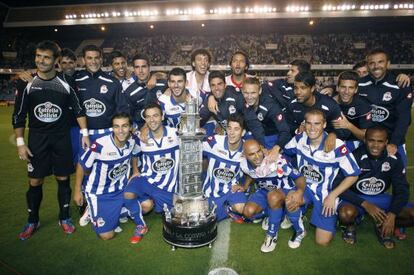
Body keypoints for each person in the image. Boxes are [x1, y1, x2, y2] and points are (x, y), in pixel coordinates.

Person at [12, 40, 89, 240]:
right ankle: (32, 220)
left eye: (46, 57)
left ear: (56, 60)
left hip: (61, 138)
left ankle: (64, 217)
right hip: (37, 139)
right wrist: (20, 143)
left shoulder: (66, 82)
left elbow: (79, 109)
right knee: (35, 180)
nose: (41, 60)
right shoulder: (26, 81)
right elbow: (19, 115)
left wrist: (85, 134)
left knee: (63, 178)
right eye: (38, 56)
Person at [284, 109, 360, 246]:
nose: (312, 128)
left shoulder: (336, 146)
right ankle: (299, 229)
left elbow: (353, 175)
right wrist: (293, 173)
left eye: (317, 123)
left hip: (325, 193)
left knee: (322, 241)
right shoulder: (299, 139)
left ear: (324, 124)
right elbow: (285, 153)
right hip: (304, 188)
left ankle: (333, 214)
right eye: (309, 123)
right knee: (290, 199)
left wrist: (332, 196)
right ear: (304, 124)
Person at [74, 44, 128, 226]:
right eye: (89, 58)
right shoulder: (76, 80)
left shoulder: (112, 82)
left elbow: (121, 109)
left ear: (101, 59)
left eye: (96, 57)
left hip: (107, 134)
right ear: (83, 60)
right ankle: (87, 206)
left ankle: (107, 206)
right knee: (85, 169)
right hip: (85, 135)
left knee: (109, 173)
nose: (93, 61)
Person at [337, 127, 414, 248]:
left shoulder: (394, 158)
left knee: (412, 213)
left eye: (380, 141)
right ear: (365, 140)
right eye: (371, 140)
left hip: (381, 197)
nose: (375, 145)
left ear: (386, 142)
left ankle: (382, 225)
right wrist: (365, 204)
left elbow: (402, 190)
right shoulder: (355, 156)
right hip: (357, 198)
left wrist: (392, 214)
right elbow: (337, 185)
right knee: (345, 214)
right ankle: (351, 225)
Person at [74, 113, 139, 240]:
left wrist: (135, 170)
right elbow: (82, 165)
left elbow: (136, 152)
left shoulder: (132, 141)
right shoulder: (100, 145)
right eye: (116, 126)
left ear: (131, 127)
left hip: (121, 190)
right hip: (99, 194)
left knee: (146, 205)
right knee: (107, 235)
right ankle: (91, 210)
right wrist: (77, 191)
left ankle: (115, 213)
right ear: (112, 128)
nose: (120, 131)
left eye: (124, 126)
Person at [124, 103, 180, 244]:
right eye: (148, 117)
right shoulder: (141, 138)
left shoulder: (176, 133)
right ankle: (140, 225)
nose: (152, 120)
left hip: (167, 187)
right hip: (146, 180)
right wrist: (136, 170)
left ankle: (126, 210)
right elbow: (135, 153)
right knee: (128, 192)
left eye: (155, 115)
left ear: (162, 117)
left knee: (178, 211)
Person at [241, 139, 306, 252]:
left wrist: (299, 192)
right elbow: (251, 174)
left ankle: (273, 234)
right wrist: (245, 186)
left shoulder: (277, 161)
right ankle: (277, 214)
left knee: (273, 197)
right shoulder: (243, 164)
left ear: (262, 149)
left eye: (258, 151)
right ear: (244, 155)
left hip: (284, 190)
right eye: (251, 154)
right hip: (264, 191)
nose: (257, 156)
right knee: (248, 212)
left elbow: (299, 177)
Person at [358, 48, 413, 166]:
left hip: (392, 143)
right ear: (367, 66)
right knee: (364, 181)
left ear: (388, 64)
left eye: (380, 62)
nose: (376, 66)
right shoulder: (359, 84)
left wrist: (394, 142)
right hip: (365, 143)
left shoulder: (400, 85)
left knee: (398, 181)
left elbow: (404, 119)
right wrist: (331, 88)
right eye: (372, 63)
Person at [286, 71, 351, 151]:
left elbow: (344, 131)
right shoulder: (292, 104)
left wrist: (333, 134)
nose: (298, 92)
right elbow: (288, 128)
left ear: (312, 88)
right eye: (296, 88)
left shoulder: (329, 105)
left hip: (327, 145)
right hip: (303, 145)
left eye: (303, 88)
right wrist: (298, 130)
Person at [202, 114, 247, 222]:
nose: (231, 133)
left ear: (243, 132)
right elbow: (194, 149)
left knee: (242, 208)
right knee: (206, 218)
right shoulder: (215, 142)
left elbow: (256, 171)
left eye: (236, 129)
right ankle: (223, 209)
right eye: (229, 128)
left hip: (231, 190)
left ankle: (229, 208)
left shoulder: (246, 149)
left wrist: (244, 186)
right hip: (211, 192)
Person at [241, 77, 291, 156]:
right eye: (246, 93)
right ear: (242, 91)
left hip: (272, 138)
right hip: (253, 135)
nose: (249, 97)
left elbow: (285, 131)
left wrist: (276, 148)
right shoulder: (240, 100)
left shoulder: (271, 106)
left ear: (260, 91)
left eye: (253, 93)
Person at [332, 71, 373, 150]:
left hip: (355, 142)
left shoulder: (363, 105)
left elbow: (366, 136)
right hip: (333, 140)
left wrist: (348, 125)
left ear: (356, 90)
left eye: (351, 88)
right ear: (337, 88)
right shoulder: (329, 103)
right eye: (343, 87)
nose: (346, 92)